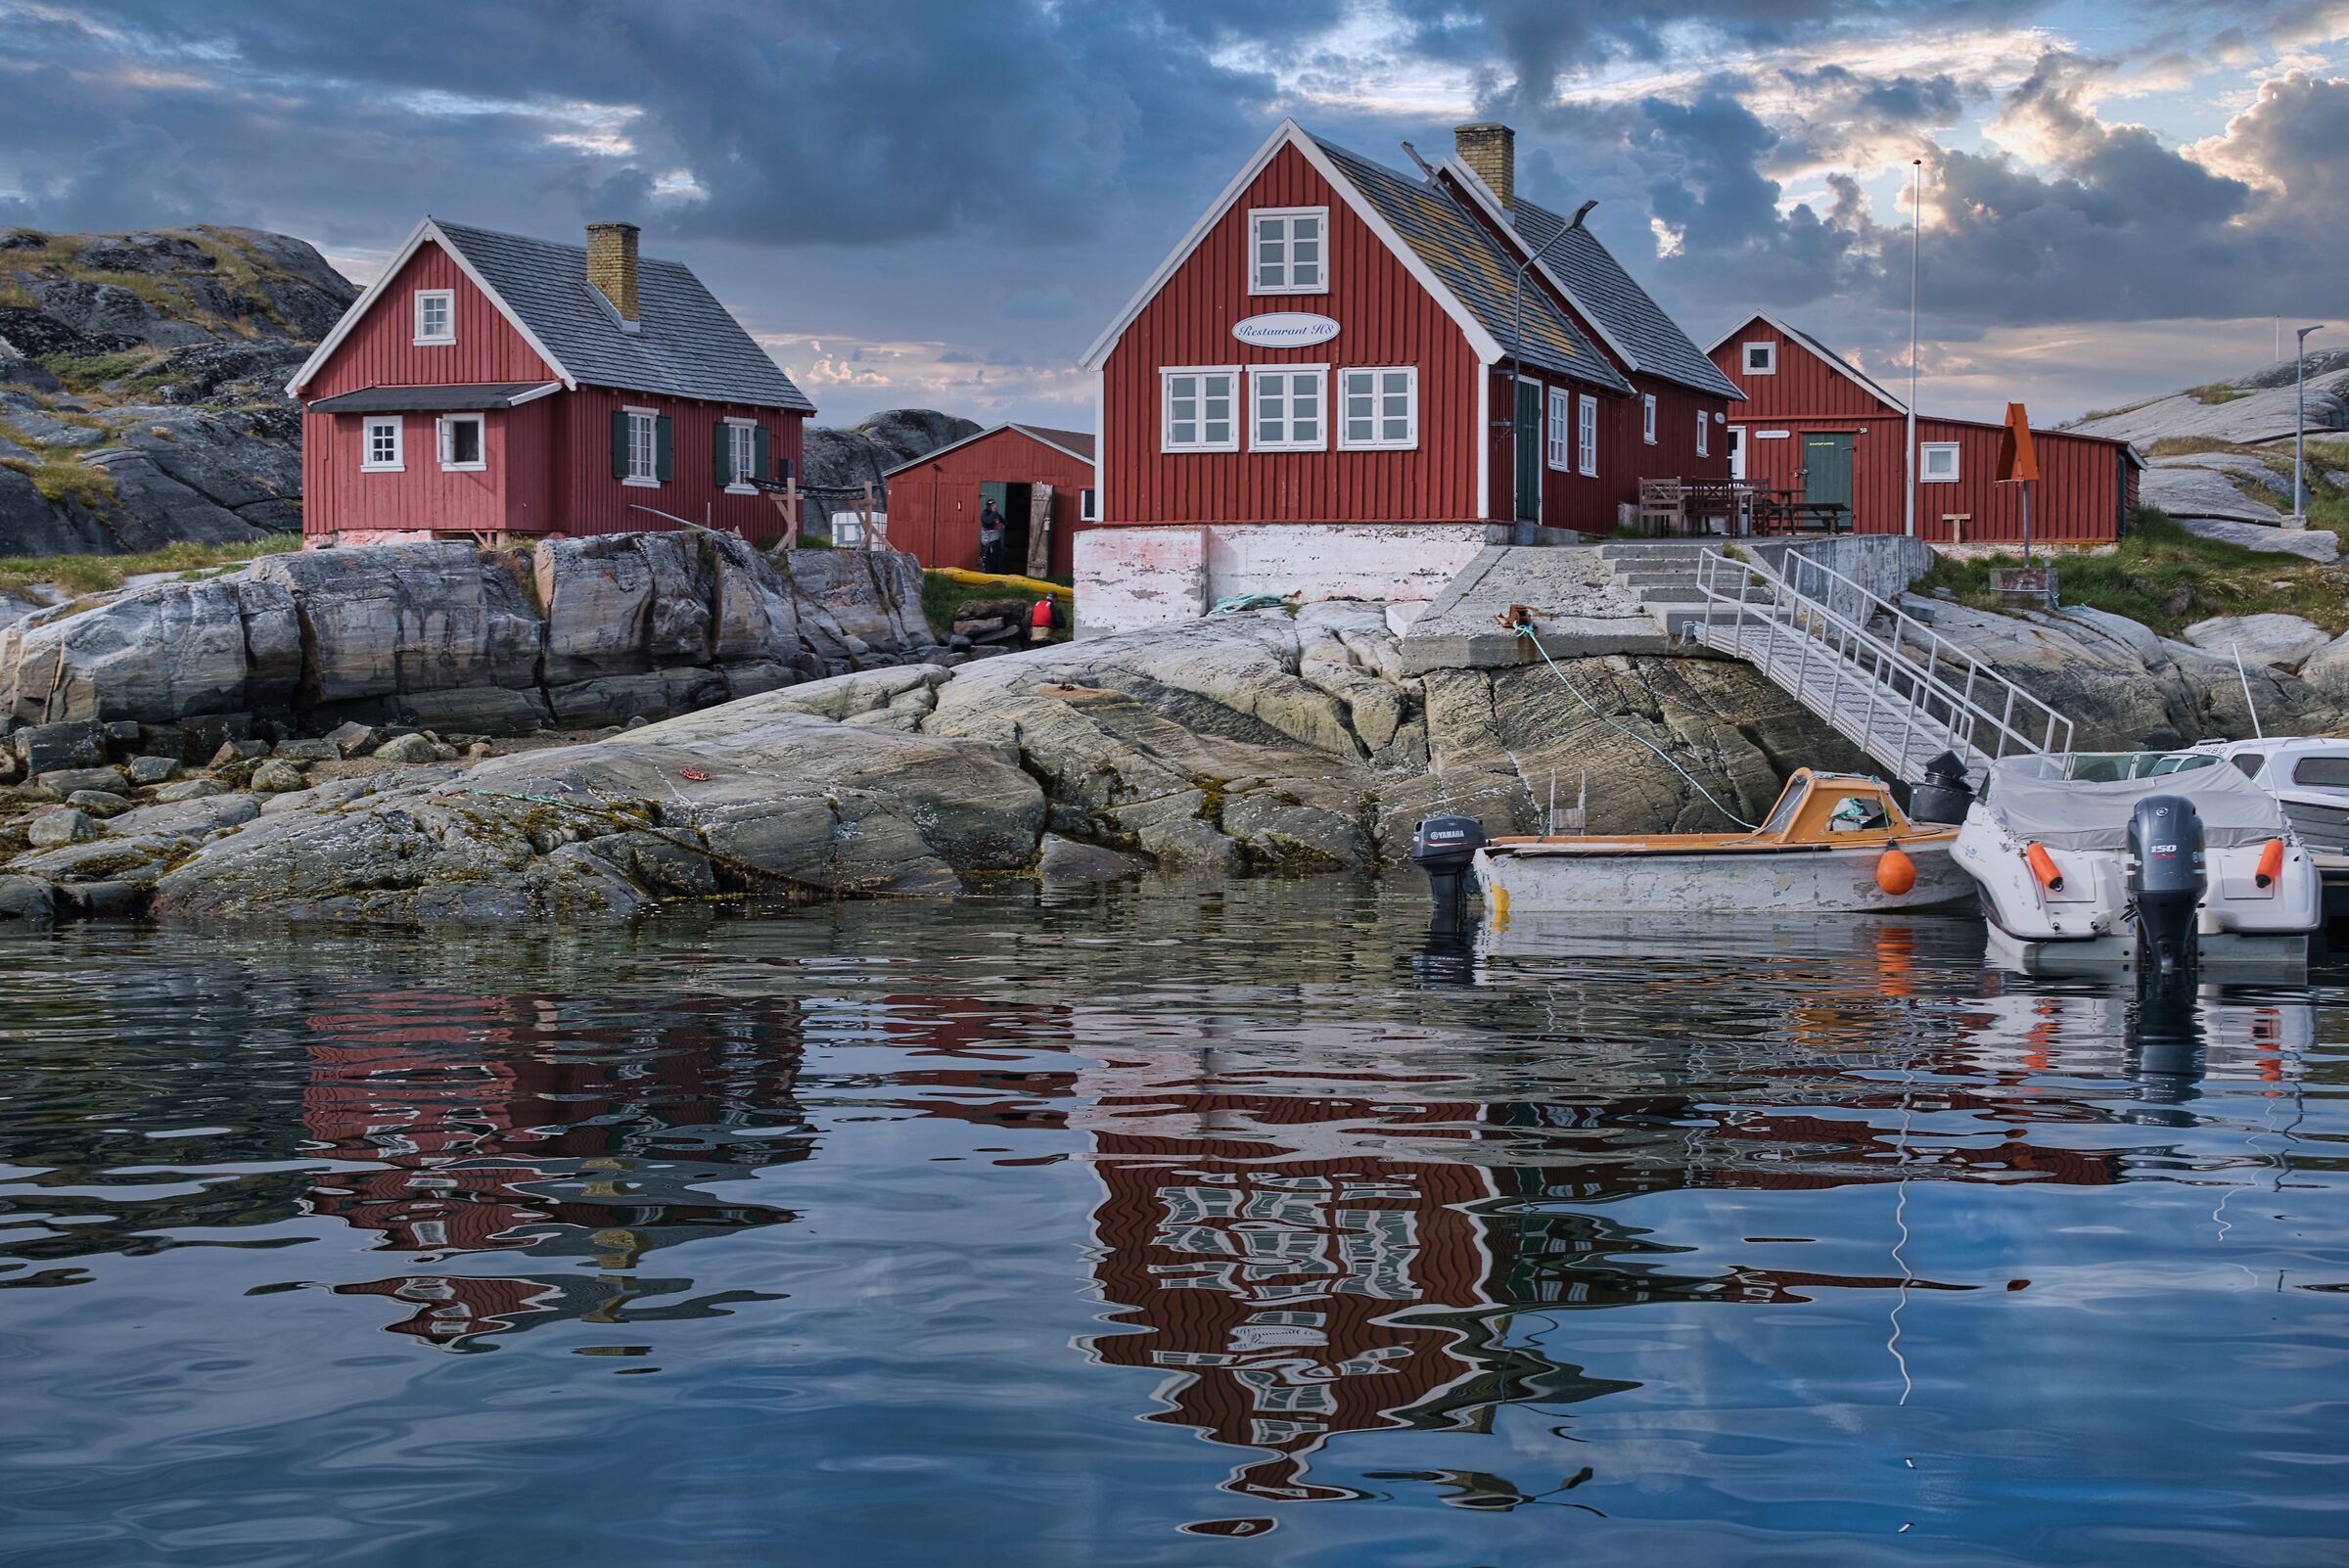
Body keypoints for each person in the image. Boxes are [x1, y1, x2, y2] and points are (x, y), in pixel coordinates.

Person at [977, 499, 1007, 574]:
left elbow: (1004, 521)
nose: (993, 507)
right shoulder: (984, 514)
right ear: (988, 506)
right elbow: (988, 521)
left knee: (997, 557)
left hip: (995, 539)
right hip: (987, 540)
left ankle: (997, 572)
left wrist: (1001, 523)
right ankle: (988, 572)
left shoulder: (996, 514)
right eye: (991, 505)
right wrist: (994, 512)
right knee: (987, 557)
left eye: (994, 505)